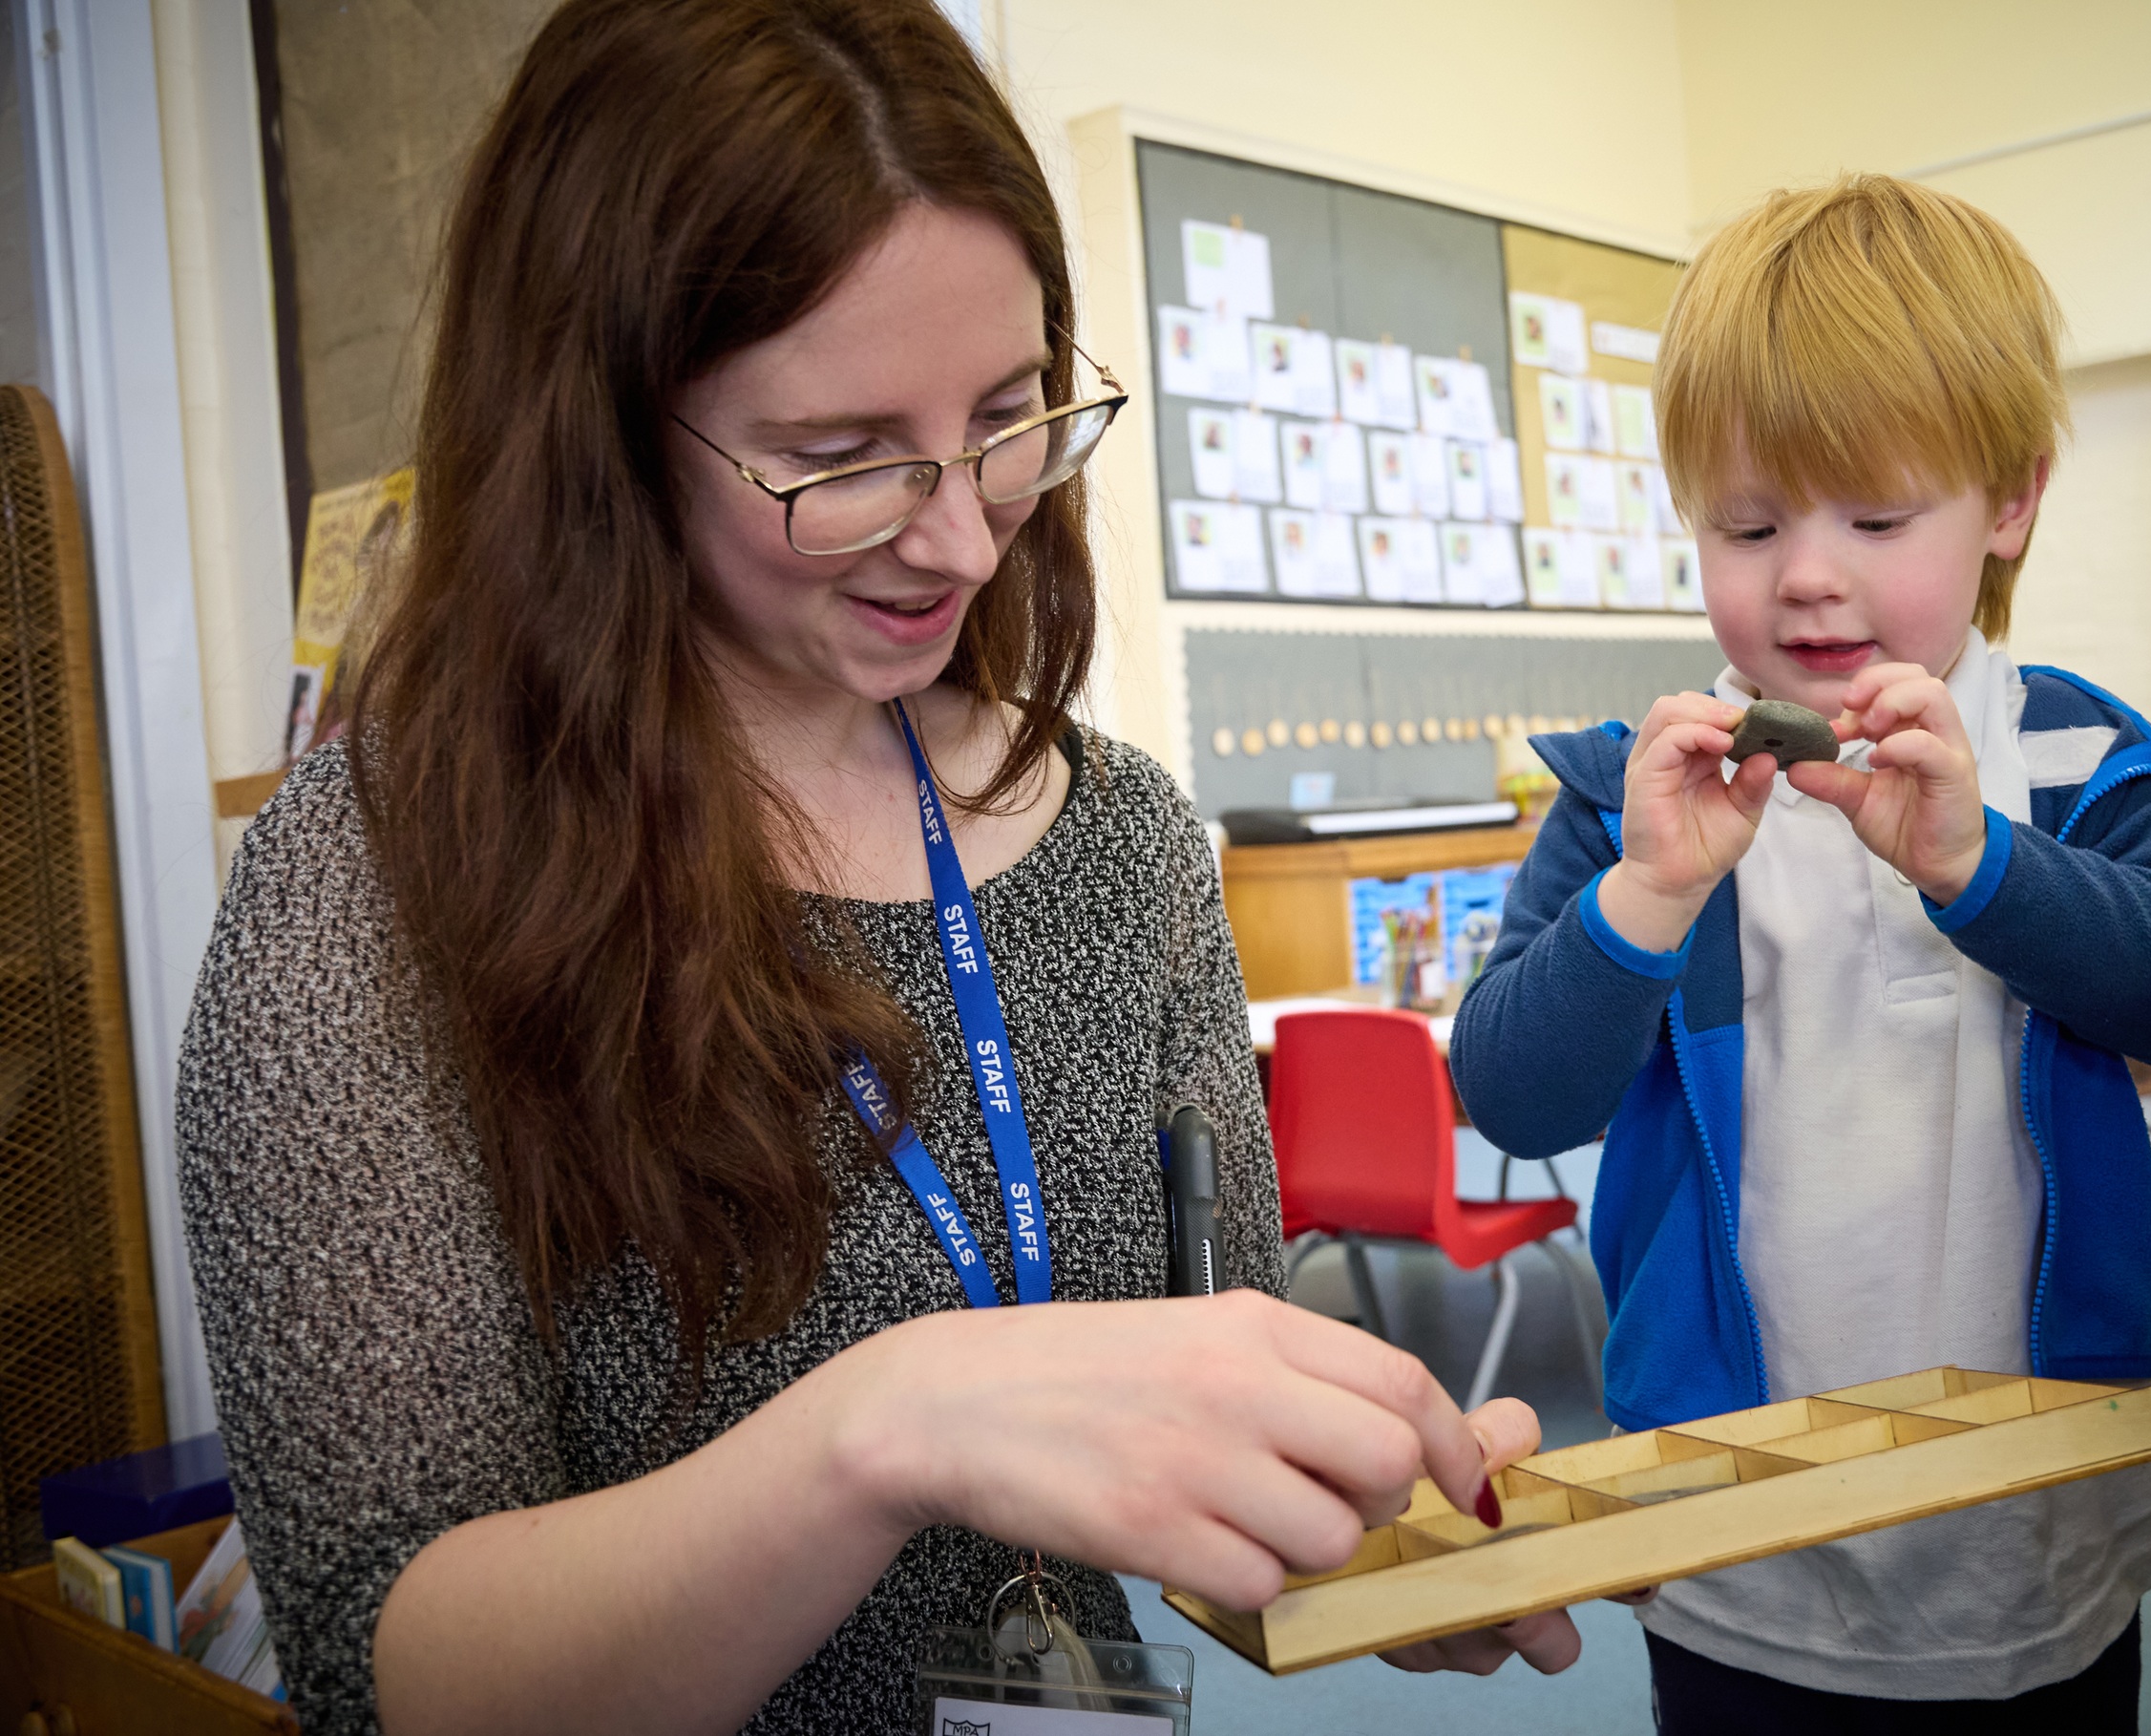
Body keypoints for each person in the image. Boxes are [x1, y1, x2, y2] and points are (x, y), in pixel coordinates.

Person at [176, 5, 1576, 1732]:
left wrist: (1370, 1533)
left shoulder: (1121, 838)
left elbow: (1191, 1455)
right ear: (605, 427)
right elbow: (395, 1670)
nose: (964, 533)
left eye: (1008, 417)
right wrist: (891, 1428)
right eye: (844, 460)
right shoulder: (377, 884)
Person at [1450, 174, 2151, 1732]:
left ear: (2011, 501)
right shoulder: (1634, 787)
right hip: (1732, 1545)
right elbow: (1509, 1092)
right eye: (1748, 524)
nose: (1808, 573)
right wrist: (1644, 900)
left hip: (2037, 1531)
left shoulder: (2076, 757)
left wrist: (1982, 864)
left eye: (1877, 519)